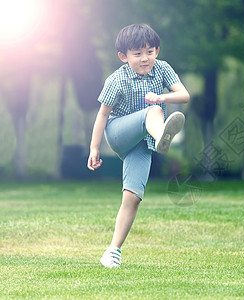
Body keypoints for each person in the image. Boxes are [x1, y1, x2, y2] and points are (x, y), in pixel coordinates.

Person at [87, 24, 190, 268]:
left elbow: (183, 95)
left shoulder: (162, 68)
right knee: (152, 111)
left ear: (157, 50)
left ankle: (113, 251)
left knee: (133, 196)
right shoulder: (117, 79)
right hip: (120, 132)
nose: (145, 58)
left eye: (150, 51)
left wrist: (163, 97)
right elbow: (102, 116)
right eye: (137, 54)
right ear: (123, 56)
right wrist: (94, 148)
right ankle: (163, 135)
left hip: (143, 142)